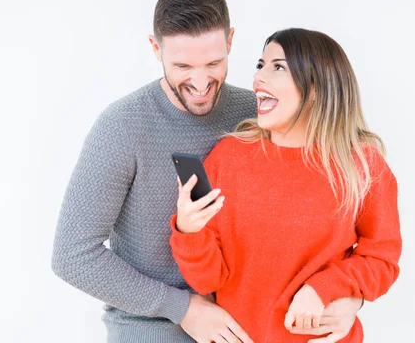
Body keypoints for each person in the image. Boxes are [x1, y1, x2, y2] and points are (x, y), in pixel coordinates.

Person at [52, 0, 363, 343]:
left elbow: (329, 224)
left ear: (231, 41)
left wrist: (348, 299)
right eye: (182, 65)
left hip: (253, 328)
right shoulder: (122, 126)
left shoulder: (259, 113)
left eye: (214, 63)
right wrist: (182, 308)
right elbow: (72, 256)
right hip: (152, 330)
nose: (200, 83)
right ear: (156, 48)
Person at [170, 28, 402, 342]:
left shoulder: (362, 166)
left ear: (317, 86)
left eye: (278, 67)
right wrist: (189, 231)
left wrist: (325, 288)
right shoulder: (229, 157)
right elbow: (208, 280)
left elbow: (381, 261)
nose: (259, 78)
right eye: (260, 65)